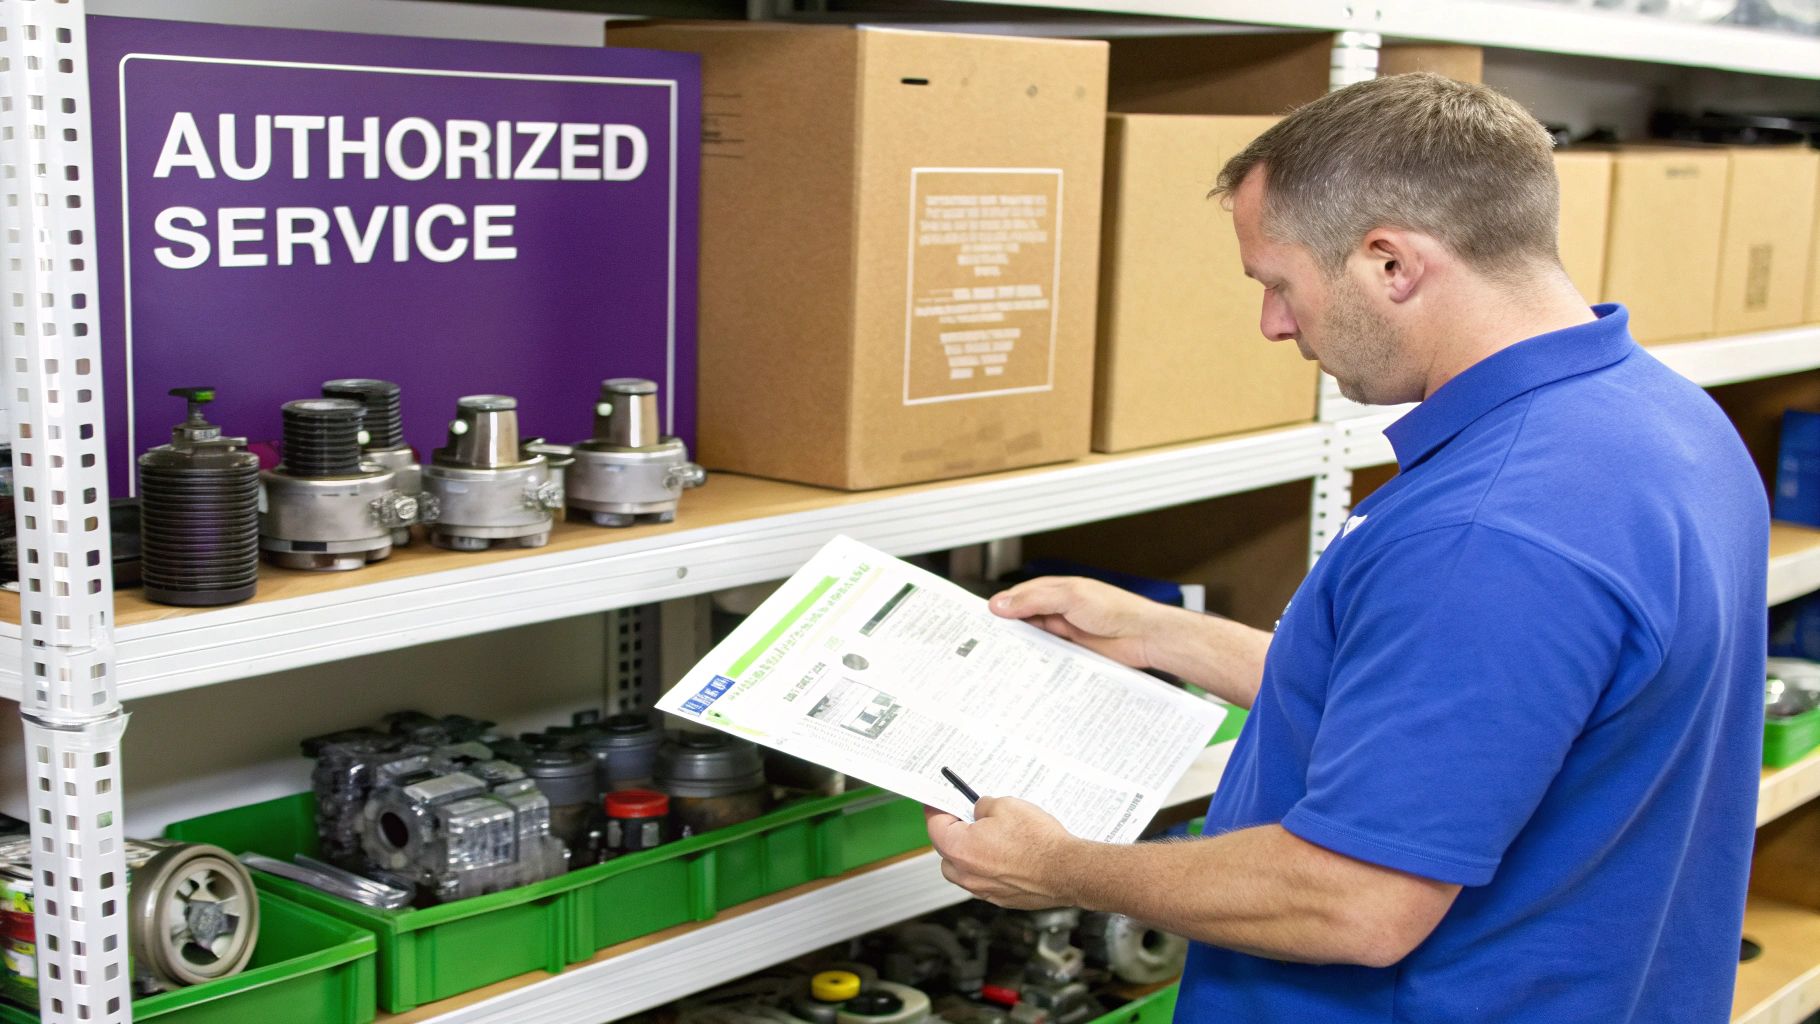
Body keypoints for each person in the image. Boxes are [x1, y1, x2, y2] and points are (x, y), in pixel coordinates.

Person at [924, 73, 1767, 1023]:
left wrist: (1059, 867)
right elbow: (1466, 714)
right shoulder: (1659, 419)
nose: (1275, 324)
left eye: (1280, 283)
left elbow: (1354, 902)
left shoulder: (1490, 531)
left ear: (1391, 264)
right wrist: (1164, 638)